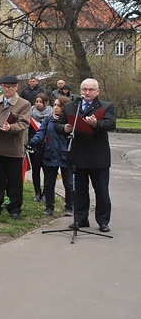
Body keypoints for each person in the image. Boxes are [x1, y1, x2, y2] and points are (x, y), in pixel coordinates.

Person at [55, 78, 116, 232]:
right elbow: (58, 125)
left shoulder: (106, 106)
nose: (87, 93)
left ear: (97, 91)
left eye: (91, 90)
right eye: (84, 89)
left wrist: (96, 124)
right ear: (80, 90)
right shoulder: (71, 106)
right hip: (78, 154)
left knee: (101, 190)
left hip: (98, 156)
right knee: (79, 190)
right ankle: (81, 219)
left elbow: (111, 124)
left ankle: (103, 221)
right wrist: (65, 129)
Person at [0, 75, 31, 219]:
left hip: (13, 147)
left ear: (16, 87)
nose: (7, 89)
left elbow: (24, 123)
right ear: (1, 87)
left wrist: (11, 127)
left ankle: (15, 208)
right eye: (4, 86)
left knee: (15, 180)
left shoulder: (23, 104)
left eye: (10, 86)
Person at [29, 96, 74, 216]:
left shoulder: (70, 121)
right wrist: (33, 141)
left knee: (68, 183)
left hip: (66, 155)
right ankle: (49, 207)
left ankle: (69, 207)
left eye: (59, 105)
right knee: (49, 183)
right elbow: (41, 132)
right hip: (50, 153)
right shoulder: (49, 119)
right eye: (54, 105)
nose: (55, 108)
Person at [28, 93, 52, 201]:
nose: (38, 104)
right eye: (37, 102)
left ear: (46, 102)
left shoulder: (51, 114)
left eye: (40, 102)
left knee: (47, 170)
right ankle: (37, 192)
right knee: (36, 170)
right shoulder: (30, 113)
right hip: (35, 145)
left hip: (48, 146)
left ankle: (46, 193)